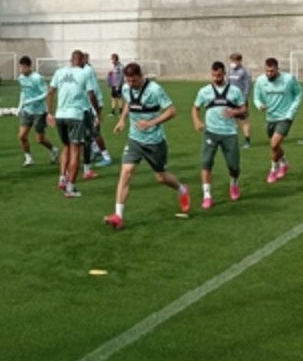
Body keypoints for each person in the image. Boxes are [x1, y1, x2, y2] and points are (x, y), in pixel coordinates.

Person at [104, 62, 191, 230]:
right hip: (134, 140)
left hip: (155, 142)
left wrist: (152, 123)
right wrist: (122, 120)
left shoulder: (155, 90)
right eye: (128, 81)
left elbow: (172, 111)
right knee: (126, 173)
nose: (131, 84)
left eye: (134, 81)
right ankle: (118, 216)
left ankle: (182, 189)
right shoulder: (125, 89)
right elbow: (129, 103)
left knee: (161, 177)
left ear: (141, 76)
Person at [191, 61, 248, 208]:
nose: (216, 78)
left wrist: (234, 112)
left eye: (219, 75)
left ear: (224, 74)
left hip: (229, 133)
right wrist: (197, 121)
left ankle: (234, 183)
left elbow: (244, 110)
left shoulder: (234, 91)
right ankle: (207, 195)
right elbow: (195, 108)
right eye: (214, 75)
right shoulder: (204, 91)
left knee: (233, 166)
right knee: (206, 163)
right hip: (211, 132)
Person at [47, 50, 91, 198]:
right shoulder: (85, 73)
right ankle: (70, 188)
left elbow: (50, 92)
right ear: (82, 60)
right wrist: (97, 112)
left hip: (60, 116)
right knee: (75, 150)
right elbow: (91, 94)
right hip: (76, 116)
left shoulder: (59, 72)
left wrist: (49, 113)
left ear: (71, 60)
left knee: (65, 146)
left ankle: (62, 178)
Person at [252, 57, 302, 183]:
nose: (269, 74)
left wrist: (291, 111)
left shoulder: (289, 79)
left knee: (274, 144)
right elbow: (256, 97)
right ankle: (284, 163)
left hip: (285, 117)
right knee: (275, 146)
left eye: (272, 71)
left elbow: (299, 94)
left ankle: (273, 170)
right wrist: (259, 105)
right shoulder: (260, 80)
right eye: (267, 71)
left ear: (277, 69)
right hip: (270, 117)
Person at [16, 55, 58, 166]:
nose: (21, 70)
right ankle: (28, 158)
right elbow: (23, 92)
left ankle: (53, 149)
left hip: (39, 112)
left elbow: (45, 93)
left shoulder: (37, 78)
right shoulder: (21, 78)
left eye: (22, 67)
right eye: (20, 67)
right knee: (22, 136)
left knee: (40, 139)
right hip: (27, 111)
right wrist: (20, 107)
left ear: (28, 67)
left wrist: (31, 100)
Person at [79, 52, 113, 178]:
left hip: (93, 104)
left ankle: (106, 156)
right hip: (87, 105)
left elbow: (91, 92)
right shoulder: (85, 70)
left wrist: (97, 111)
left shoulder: (87, 71)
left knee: (94, 132)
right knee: (88, 132)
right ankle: (95, 151)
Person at [227, 53, 254, 148]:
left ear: (239, 61)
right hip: (230, 100)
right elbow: (228, 84)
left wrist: (244, 98)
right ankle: (232, 140)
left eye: (235, 60)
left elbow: (248, 85)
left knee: (244, 120)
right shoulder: (230, 71)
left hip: (241, 100)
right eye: (232, 60)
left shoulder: (245, 71)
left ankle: (247, 140)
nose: (233, 63)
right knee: (231, 121)